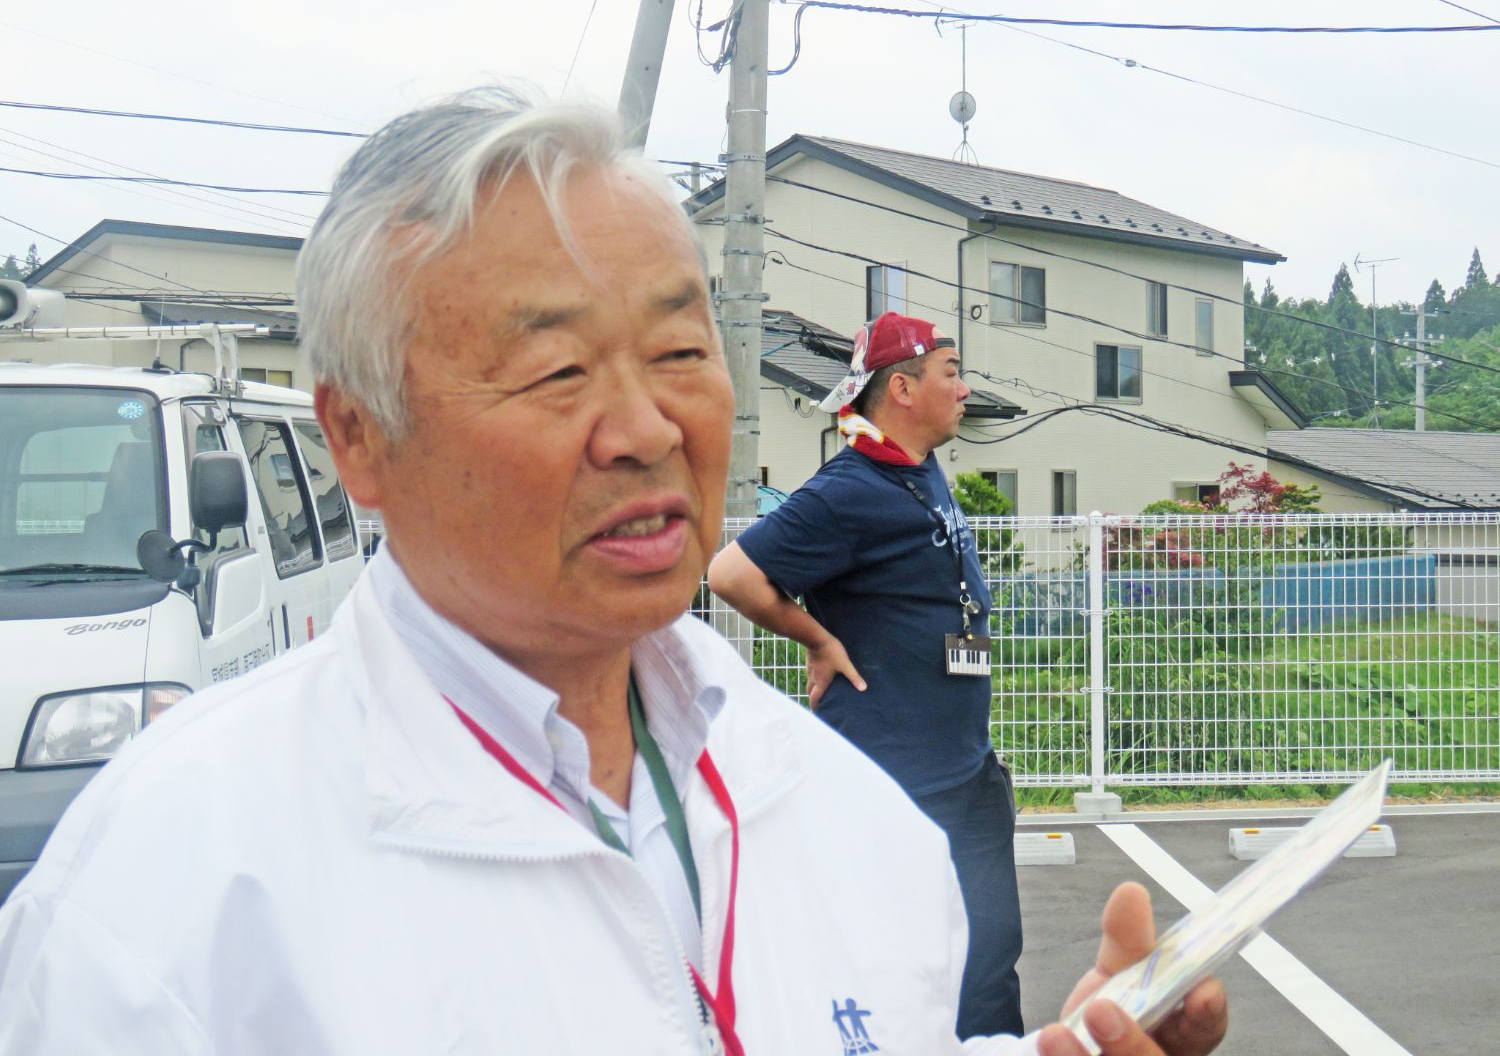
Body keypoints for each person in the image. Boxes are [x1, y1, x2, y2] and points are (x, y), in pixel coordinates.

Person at [0, 89, 1225, 1056]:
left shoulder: (841, 815)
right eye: (555, 372)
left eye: (680, 348)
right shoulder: (170, 893)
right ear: (360, 437)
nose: (645, 428)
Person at [707, 311, 1022, 1038]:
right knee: (903, 974)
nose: (965, 388)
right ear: (904, 388)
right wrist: (817, 638)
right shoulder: (846, 490)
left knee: (989, 961)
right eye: (951, 371)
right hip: (894, 780)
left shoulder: (916, 468)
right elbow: (730, 571)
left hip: (965, 770)